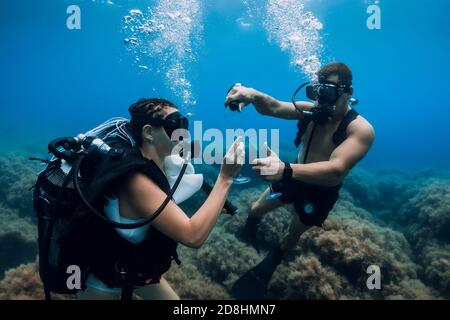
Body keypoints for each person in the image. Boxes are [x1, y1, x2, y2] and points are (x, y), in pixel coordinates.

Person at [224, 62, 375, 298]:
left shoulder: (361, 129)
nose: (320, 101)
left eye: (327, 93)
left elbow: (336, 168)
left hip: (320, 191)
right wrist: (253, 95)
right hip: (291, 174)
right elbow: (273, 107)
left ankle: (270, 264)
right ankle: (250, 231)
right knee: (255, 209)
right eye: (316, 92)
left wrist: (284, 169)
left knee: (292, 234)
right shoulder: (310, 111)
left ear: (348, 92)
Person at [76, 98, 244, 300]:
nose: (183, 132)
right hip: (104, 281)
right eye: (174, 124)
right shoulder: (136, 181)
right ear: (148, 133)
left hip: (139, 270)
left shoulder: (163, 164)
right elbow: (192, 236)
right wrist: (226, 177)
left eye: (184, 124)